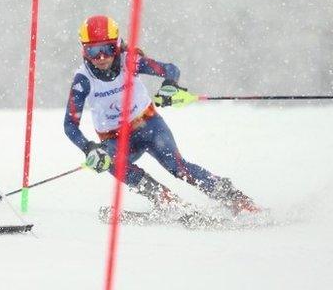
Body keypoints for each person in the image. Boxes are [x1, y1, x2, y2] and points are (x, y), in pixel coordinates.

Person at [64, 15, 259, 215]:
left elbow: (170, 70)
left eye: (108, 49)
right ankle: (166, 201)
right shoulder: (83, 80)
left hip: (148, 126)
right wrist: (89, 148)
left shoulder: (128, 61)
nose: (101, 57)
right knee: (110, 162)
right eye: (93, 51)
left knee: (178, 167)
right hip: (115, 139)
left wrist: (169, 86)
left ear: (118, 44)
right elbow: (69, 125)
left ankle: (234, 198)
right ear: (84, 51)